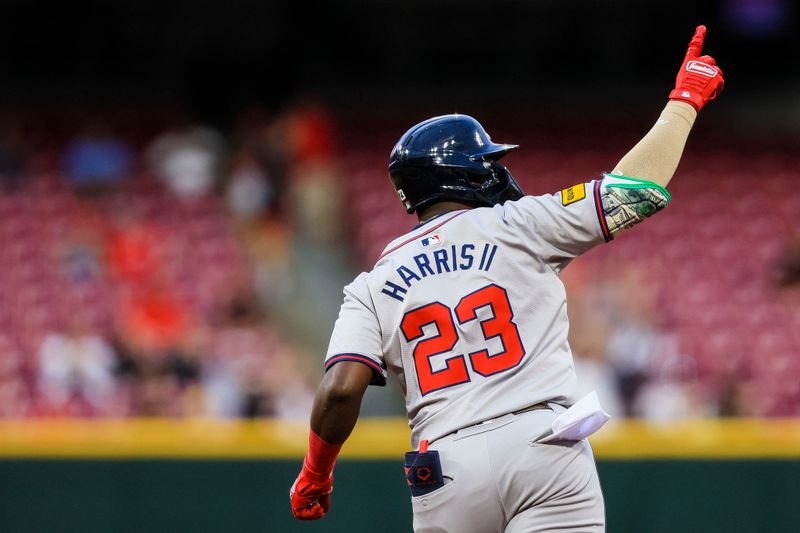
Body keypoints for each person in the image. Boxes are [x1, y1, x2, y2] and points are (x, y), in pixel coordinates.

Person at [290, 25, 724, 532]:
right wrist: (684, 101)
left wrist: (315, 473)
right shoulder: (519, 224)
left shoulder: (370, 284)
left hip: (444, 467)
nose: (498, 172)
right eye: (487, 163)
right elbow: (634, 189)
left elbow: (340, 390)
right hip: (544, 447)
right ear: (466, 174)